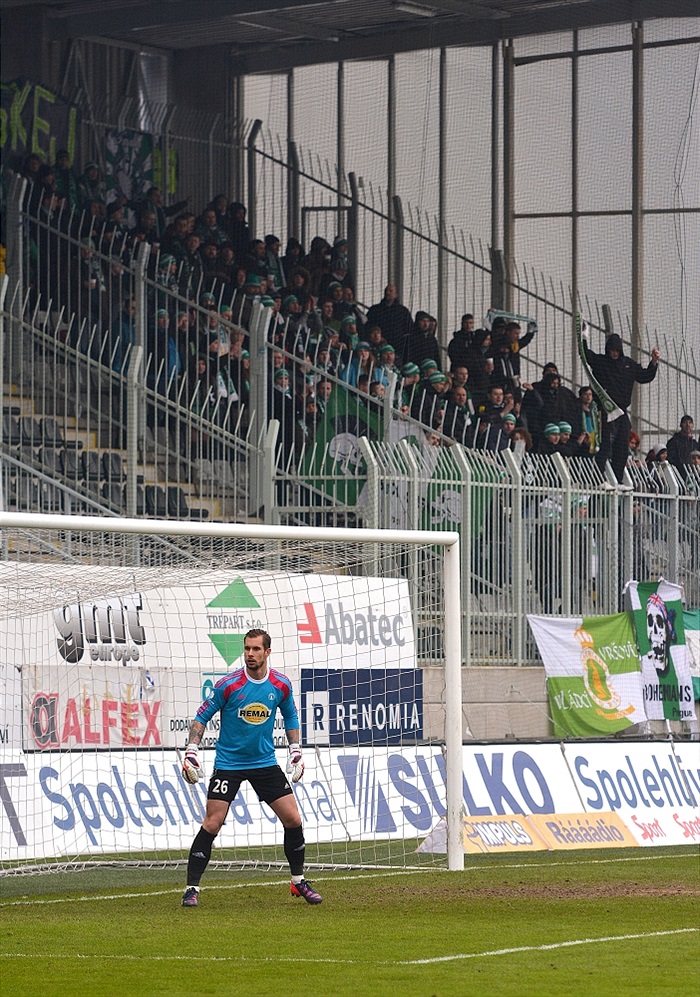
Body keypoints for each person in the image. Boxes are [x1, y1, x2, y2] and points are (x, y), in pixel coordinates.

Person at [180, 629, 322, 907]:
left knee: (293, 819)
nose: (250, 654)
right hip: (229, 764)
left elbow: (291, 715)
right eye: (247, 649)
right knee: (212, 822)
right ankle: (191, 888)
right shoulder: (229, 684)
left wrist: (295, 750)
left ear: (267, 652)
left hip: (264, 763)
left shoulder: (280, 684)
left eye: (256, 649)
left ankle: (298, 882)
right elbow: (202, 716)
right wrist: (192, 749)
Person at [581, 327, 660, 483]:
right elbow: (585, 355)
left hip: (622, 412)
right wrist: (583, 336)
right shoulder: (601, 361)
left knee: (622, 447)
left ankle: (617, 479)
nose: (614, 354)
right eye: (611, 350)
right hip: (606, 409)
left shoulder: (628, 365)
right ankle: (598, 478)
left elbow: (645, 376)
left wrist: (654, 362)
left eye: (617, 351)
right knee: (605, 445)